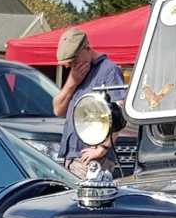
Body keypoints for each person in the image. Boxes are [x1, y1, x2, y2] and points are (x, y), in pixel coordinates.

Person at [52, 27, 124, 177]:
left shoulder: (109, 71)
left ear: (87, 48)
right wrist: (72, 81)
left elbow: (120, 112)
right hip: (72, 157)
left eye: (73, 61)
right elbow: (58, 110)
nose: (69, 66)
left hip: (92, 160)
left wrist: (102, 148)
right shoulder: (78, 73)